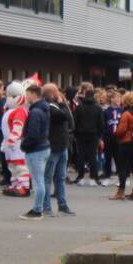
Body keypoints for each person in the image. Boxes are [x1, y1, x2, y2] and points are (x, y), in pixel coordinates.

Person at [42, 84, 76, 216]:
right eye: (57, 92)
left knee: (60, 178)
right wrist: (63, 104)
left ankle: (62, 205)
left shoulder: (55, 107)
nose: (60, 94)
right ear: (52, 94)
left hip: (62, 146)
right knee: (48, 178)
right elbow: (66, 116)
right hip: (53, 147)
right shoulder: (50, 108)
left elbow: (71, 121)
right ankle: (46, 206)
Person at [19, 84, 51, 220]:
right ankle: (40, 207)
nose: (26, 97)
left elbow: (33, 134)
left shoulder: (35, 112)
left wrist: (24, 145)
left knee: (38, 181)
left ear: (34, 94)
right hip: (44, 147)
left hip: (36, 149)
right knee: (40, 180)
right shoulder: (44, 109)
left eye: (27, 94)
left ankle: (37, 210)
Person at [111, 92, 133, 201]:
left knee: (122, 168)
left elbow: (121, 130)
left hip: (126, 143)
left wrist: (116, 135)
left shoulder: (126, 114)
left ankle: (121, 191)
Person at [0, 82, 31, 197]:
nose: (8, 98)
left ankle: (23, 186)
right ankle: (16, 184)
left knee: (20, 165)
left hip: (17, 143)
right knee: (12, 165)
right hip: (10, 143)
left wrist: (12, 139)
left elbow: (18, 127)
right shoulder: (10, 111)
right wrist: (6, 142)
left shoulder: (20, 110)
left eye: (12, 96)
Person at [73, 88, 104, 186]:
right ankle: (93, 177)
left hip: (81, 134)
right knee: (93, 156)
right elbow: (101, 123)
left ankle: (80, 176)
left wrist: (75, 134)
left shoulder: (79, 107)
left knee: (81, 155)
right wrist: (99, 135)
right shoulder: (98, 108)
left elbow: (75, 122)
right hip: (94, 134)